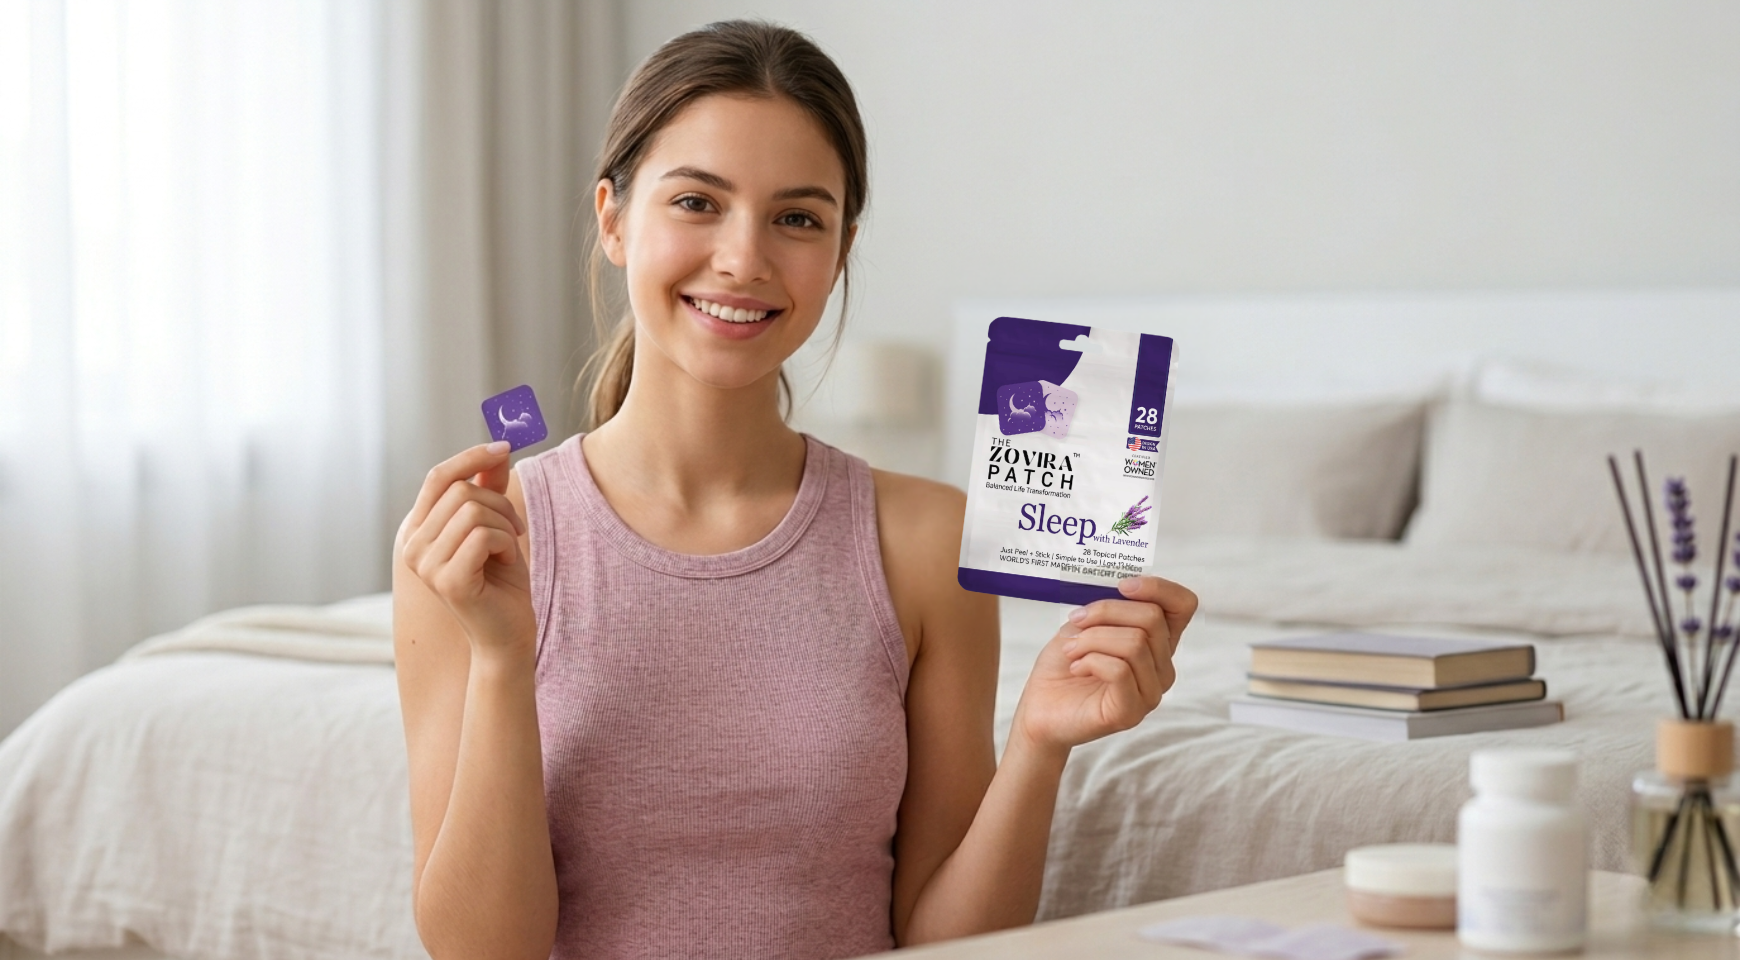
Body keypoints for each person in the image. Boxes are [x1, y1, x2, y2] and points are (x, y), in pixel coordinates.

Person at [392, 20, 1195, 960]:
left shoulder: (928, 540)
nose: (745, 259)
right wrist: (499, 658)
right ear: (612, 218)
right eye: (698, 201)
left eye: (798, 217)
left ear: (842, 248)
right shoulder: (486, 544)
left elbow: (942, 943)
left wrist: (1040, 744)